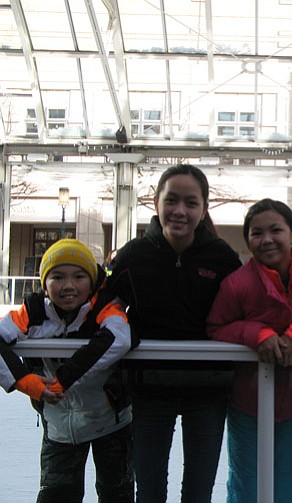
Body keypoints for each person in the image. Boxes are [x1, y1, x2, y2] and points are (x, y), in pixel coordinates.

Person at [105, 164, 242, 503]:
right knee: (149, 491)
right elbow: (103, 310)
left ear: (204, 208)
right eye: (172, 200)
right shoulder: (133, 256)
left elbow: (248, 310)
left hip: (208, 390)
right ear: (156, 202)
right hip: (149, 389)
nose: (180, 211)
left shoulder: (222, 258)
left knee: (198, 492)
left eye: (191, 203)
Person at [207, 198, 292, 503]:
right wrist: (257, 333)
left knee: (291, 485)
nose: (266, 239)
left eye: (275, 230)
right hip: (248, 403)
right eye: (256, 233)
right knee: (246, 484)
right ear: (248, 241)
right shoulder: (236, 283)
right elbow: (216, 328)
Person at [0, 238, 134, 502]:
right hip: (59, 425)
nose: (69, 286)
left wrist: (62, 380)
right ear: (45, 284)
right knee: (57, 496)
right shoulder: (33, 311)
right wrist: (27, 382)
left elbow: (119, 338)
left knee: (116, 494)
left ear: (93, 280)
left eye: (79, 276)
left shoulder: (106, 307)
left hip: (111, 422)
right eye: (58, 277)